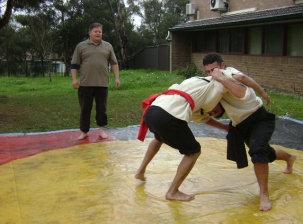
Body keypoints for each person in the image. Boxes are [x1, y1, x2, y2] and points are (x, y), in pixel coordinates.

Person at [201, 52, 297, 211]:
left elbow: (244, 84)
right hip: (240, 124)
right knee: (265, 152)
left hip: (258, 117)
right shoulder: (214, 82)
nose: (212, 74)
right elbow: (218, 109)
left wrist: (262, 92)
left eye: (215, 69)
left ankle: (264, 195)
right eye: (208, 71)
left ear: (223, 65)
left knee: (257, 151)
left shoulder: (229, 73)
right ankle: (290, 158)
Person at [135, 72, 248, 201]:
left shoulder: (195, 85)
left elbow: (203, 119)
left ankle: (140, 171)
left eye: (212, 113)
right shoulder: (215, 89)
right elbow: (232, 80)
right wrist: (257, 92)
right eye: (215, 110)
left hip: (153, 110)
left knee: (159, 138)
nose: (211, 111)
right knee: (194, 151)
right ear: (219, 102)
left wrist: (225, 127)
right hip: (167, 115)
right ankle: (172, 192)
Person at [71, 23, 120, 140]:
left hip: (102, 84)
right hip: (85, 84)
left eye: (100, 32)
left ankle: (101, 130)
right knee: (85, 109)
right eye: (95, 31)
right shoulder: (81, 46)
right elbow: (74, 64)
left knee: (102, 109)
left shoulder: (108, 46)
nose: (98, 33)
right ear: (89, 33)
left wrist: (117, 78)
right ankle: (84, 131)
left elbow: (114, 63)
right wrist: (74, 79)